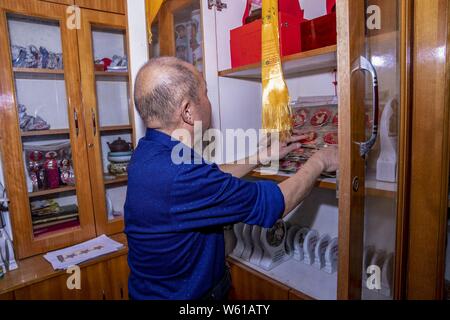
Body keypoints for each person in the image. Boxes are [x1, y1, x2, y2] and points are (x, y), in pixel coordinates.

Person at [125, 57, 338, 300]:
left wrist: (263, 154)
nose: (208, 100)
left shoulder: (150, 152)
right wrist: (321, 160)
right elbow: (276, 203)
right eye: (204, 92)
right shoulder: (179, 174)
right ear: (187, 110)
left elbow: (212, 180)